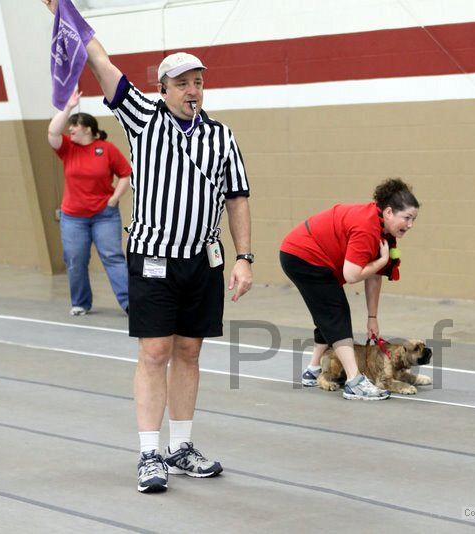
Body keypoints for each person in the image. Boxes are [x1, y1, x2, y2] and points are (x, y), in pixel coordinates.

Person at [41, 1, 253, 494]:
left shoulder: (222, 136)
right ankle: (149, 454)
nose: (192, 91)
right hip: (154, 256)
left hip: (203, 259)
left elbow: (237, 197)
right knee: (155, 351)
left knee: (190, 351)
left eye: (198, 82)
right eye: (182, 83)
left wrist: (243, 257)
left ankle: (181, 447)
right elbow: (99, 60)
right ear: (163, 89)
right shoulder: (141, 115)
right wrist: (64, 9)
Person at [280, 178, 419, 400]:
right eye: (407, 218)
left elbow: (373, 275)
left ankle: (313, 370)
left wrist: (372, 317)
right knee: (336, 314)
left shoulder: (382, 231)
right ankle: (355, 382)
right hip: (303, 256)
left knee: (326, 313)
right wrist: (382, 261)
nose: (410, 224)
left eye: (414, 219)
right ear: (389, 212)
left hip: (306, 256)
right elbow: (352, 274)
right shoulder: (367, 228)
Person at [48, 89, 131, 316]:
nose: (70, 129)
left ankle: (131, 304)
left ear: (88, 128)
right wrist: (68, 108)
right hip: (73, 217)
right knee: (75, 260)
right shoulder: (67, 149)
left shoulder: (106, 149)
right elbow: (52, 131)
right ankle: (81, 303)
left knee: (113, 258)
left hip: (104, 215)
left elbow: (125, 173)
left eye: (75, 125)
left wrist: (115, 199)